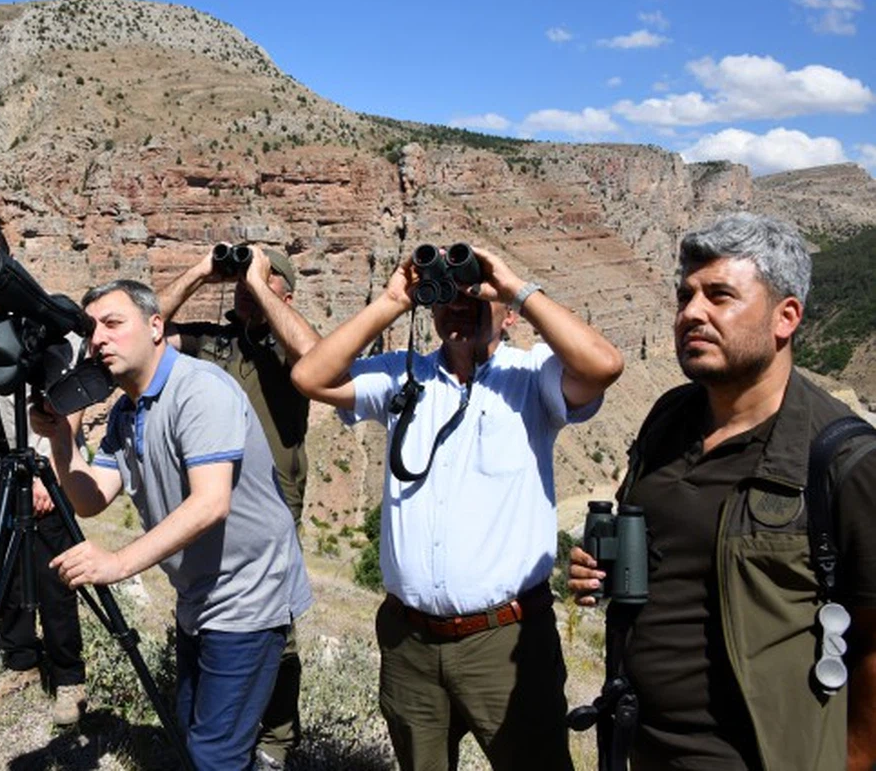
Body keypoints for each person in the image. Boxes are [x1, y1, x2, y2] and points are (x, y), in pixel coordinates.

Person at [291, 245, 623, 770]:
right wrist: (392, 301)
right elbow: (311, 378)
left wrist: (514, 285)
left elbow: (604, 365)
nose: (461, 305)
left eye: (476, 294)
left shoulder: (533, 376)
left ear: (508, 313)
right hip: (410, 644)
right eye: (448, 295)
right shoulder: (404, 376)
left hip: (506, 641)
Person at [568, 213, 876, 771]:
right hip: (638, 743)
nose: (691, 313)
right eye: (685, 296)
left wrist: (851, 761)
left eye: (719, 296)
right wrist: (603, 567)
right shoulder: (667, 418)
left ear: (786, 318)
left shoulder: (843, 458)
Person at [31, 279, 313, 771]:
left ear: (156, 326)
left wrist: (117, 562)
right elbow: (89, 498)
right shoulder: (128, 411)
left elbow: (210, 504)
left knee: (214, 754)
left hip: (248, 595)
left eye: (114, 324)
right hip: (199, 598)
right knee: (195, 733)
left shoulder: (198, 389)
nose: (98, 339)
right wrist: (59, 438)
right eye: (91, 329)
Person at [158, 243, 319, 768]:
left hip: (271, 499)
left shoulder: (289, 344)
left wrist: (262, 285)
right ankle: (217, 722)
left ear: (285, 294)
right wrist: (201, 271)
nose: (249, 285)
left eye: (264, 279)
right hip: (206, 495)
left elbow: (317, 360)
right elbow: (146, 329)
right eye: (244, 278)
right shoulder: (214, 342)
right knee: (207, 605)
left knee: (273, 624)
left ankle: (274, 740)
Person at [0, 223, 87, 726]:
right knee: (2, 563)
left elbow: (70, 397)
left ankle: (70, 679)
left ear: (8, 259)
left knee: (54, 568)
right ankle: (20, 660)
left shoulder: (39, 315)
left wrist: (49, 468)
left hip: (39, 460)